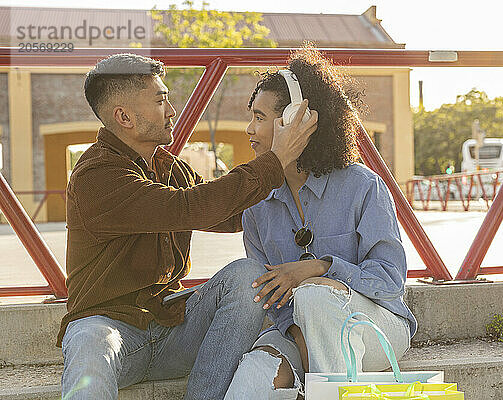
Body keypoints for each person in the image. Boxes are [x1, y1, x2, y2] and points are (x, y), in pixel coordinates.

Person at [58, 53, 317, 400]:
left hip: (171, 327)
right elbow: (189, 207)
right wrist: (273, 161)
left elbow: (227, 213)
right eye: (161, 99)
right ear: (124, 117)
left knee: (246, 277)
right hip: (109, 329)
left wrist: (298, 167)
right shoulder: (96, 176)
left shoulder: (169, 167)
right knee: (89, 340)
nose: (171, 110)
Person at [224, 47, 417, 399]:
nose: (249, 129)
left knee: (314, 295)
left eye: (259, 117)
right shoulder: (255, 207)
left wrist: (320, 269)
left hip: (374, 325)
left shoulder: (363, 186)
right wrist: (301, 336)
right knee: (256, 372)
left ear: (294, 121)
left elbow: (389, 280)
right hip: (294, 329)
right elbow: (268, 297)